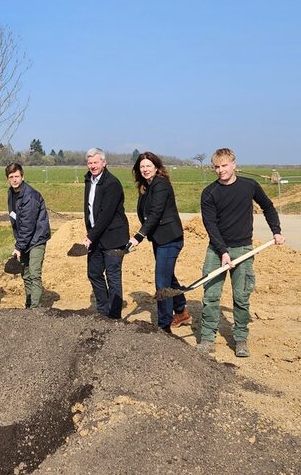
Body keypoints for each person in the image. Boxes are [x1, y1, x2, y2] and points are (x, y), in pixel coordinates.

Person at [198, 148, 285, 357]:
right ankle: (208, 338)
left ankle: (240, 339)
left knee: (241, 297)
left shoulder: (249, 186)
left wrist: (276, 231)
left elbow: (268, 207)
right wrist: (222, 252)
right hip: (216, 250)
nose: (220, 170)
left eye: (224, 165)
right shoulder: (209, 193)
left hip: (244, 248)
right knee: (210, 295)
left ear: (234, 164)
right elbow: (210, 225)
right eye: (216, 167)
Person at [128, 152, 192, 333]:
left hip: (170, 239)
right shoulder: (145, 186)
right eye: (142, 167)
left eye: (148, 166)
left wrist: (138, 236)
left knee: (161, 281)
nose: (145, 169)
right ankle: (180, 311)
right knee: (168, 276)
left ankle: (164, 326)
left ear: (156, 167)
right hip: (159, 238)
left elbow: (155, 213)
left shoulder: (161, 184)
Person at [83, 148, 130, 318]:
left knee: (113, 276)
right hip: (96, 237)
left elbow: (106, 214)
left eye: (96, 162)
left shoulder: (112, 184)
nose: (93, 166)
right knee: (94, 273)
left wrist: (90, 236)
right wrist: (90, 231)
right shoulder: (89, 180)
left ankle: (115, 316)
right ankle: (103, 310)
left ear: (104, 163)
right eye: (90, 163)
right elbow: (89, 210)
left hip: (113, 238)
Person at [5, 162, 51, 308]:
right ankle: (29, 303)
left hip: (37, 238)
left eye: (17, 176)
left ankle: (35, 309)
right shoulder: (11, 193)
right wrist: (19, 242)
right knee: (25, 273)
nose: (14, 179)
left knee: (34, 273)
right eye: (11, 177)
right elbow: (16, 219)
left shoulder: (30, 196)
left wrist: (19, 246)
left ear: (22, 177)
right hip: (24, 239)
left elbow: (28, 225)